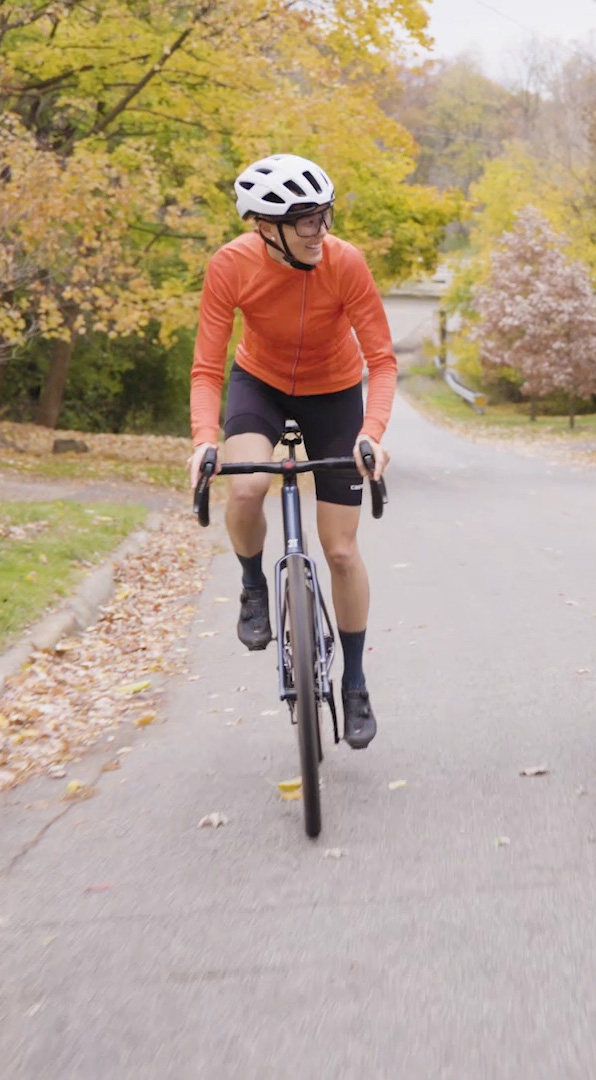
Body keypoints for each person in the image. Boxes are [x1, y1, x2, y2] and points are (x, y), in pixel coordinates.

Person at [187, 153, 395, 750]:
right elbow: (206, 368)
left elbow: (382, 362)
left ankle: (354, 681)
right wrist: (204, 440)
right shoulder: (230, 265)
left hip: (335, 391)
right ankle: (254, 583)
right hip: (261, 384)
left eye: (324, 215)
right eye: (305, 221)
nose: (319, 231)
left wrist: (372, 433)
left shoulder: (345, 262)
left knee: (341, 550)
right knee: (246, 486)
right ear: (265, 227)